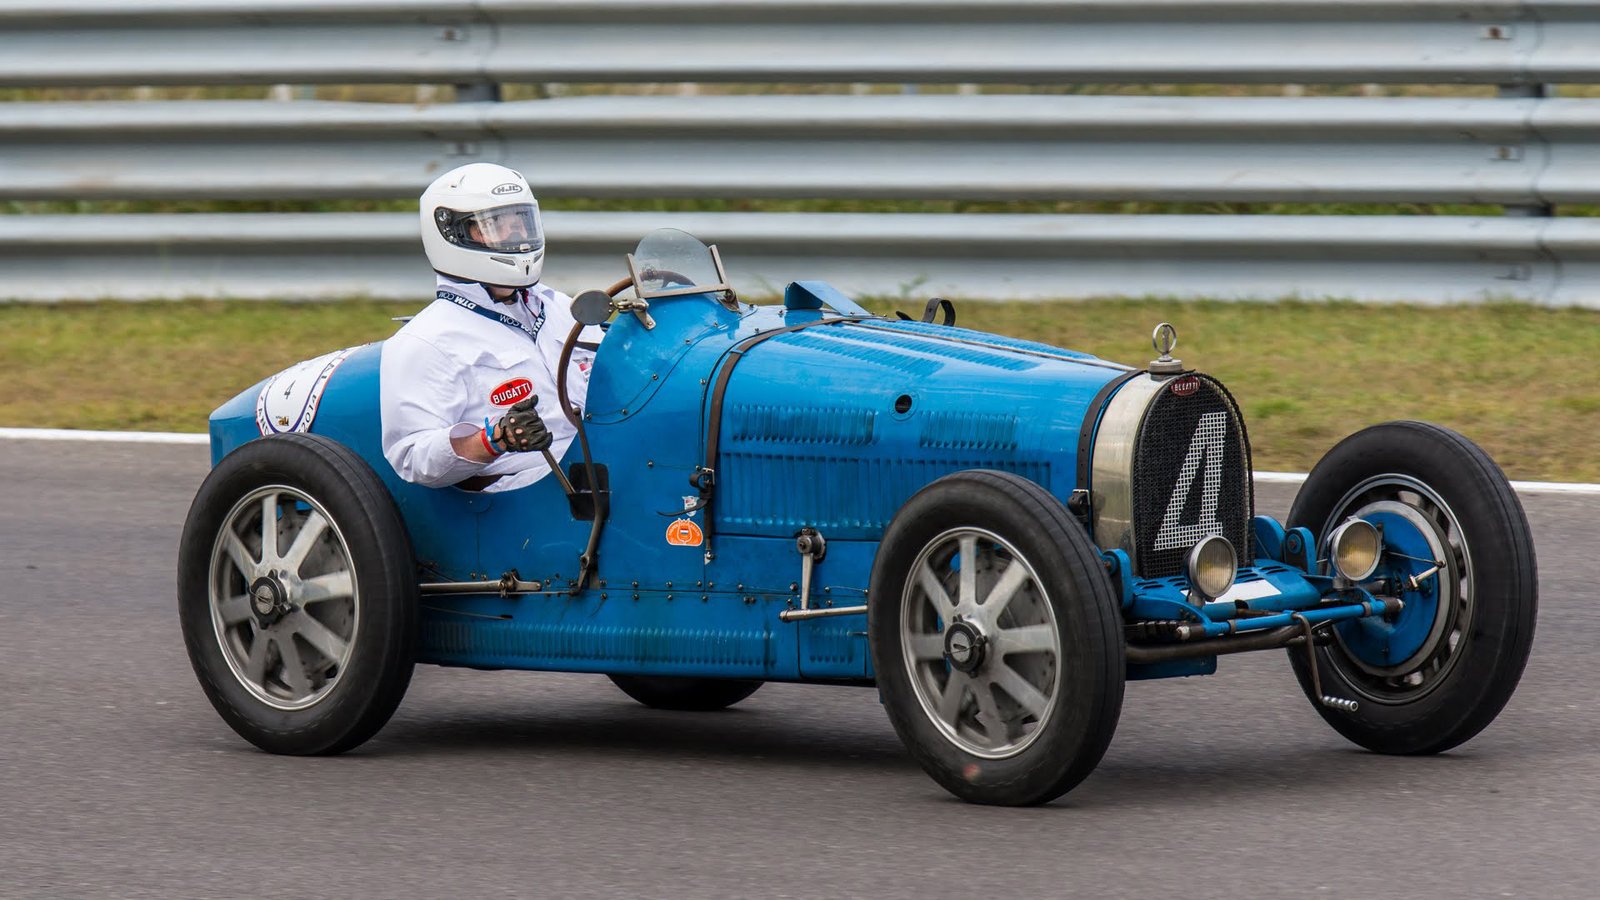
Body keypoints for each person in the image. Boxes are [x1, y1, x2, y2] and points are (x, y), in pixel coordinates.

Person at [380, 163, 595, 492]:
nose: (516, 236)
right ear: (453, 233)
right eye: (495, 225)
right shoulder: (426, 340)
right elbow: (412, 457)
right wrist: (496, 438)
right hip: (527, 494)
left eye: (521, 223)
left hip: (605, 466)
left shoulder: (561, 307)